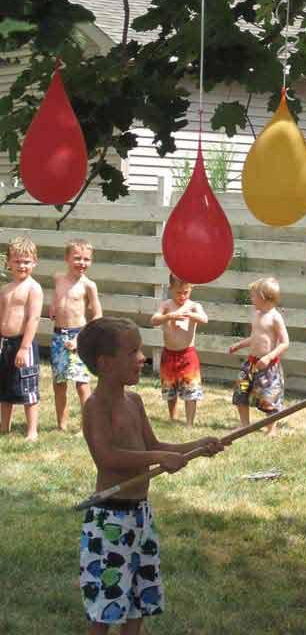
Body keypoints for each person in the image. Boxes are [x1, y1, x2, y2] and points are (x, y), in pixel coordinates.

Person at [77, 316, 225, 633]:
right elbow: (106, 457)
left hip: (140, 516)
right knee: (106, 602)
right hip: (111, 520)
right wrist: (159, 457)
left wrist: (196, 445)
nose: (142, 358)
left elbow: (155, 445)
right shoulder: (96, 406)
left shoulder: (135, 400)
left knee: (138, 600)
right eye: (132, 352)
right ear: (105, 363)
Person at [50, 237, 102, 431]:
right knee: (59, 383)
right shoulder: (58, 278)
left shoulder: (89, 285)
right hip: (58, 337)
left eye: (86, 259)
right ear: (67, 259)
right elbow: (57, 295)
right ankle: (61, 425)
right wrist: (53, 305)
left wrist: (79, 338)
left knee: (82, 383)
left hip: (78, 337)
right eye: (77, 258)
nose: (82, 263)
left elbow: (97, 315)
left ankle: (88, 426)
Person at [229, 277, 289, 436]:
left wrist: (269, 357)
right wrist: (239, 345)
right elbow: (255, 337)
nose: (251, 298)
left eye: (253, 296)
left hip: (268, 366)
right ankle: (244, 425)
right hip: (251, 363)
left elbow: (285, 342)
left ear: (263, 297)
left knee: (269, 397)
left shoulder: (275, 317)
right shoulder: (256, 314)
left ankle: (271, 429)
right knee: (241, 391)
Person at [0, 235, 43, 441]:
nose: (21, 265)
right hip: (5, 343)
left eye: (26, 261)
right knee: (4, 386)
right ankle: (4, 426)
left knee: (28, 388)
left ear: (34, 262)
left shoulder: (34, 288)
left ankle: (32, 430)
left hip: (23, 343)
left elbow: (34, 319)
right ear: (8, 262)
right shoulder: (5, 290)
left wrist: (24, 348)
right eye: (17, 261)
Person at [151, 274, 207, 427]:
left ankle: (189, 422)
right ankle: (172, 416)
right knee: (170, 389)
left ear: (191, 290)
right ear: (170, 289)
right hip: (169, 354)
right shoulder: (166, 305)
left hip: (187, 355)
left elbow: (204, 319)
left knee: (191, 389)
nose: (182, 296)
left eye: (186, 292)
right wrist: (169, 316)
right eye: (178, 292)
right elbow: (154, 319)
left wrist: (191, 315)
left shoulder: (194, 306)